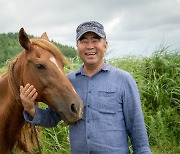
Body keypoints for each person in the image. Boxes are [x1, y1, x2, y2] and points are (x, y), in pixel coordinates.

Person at [20, 21, 152, 154]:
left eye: (95, 40)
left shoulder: (123, 80)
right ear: (77, 47)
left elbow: (138, 134)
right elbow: (52, 118)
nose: (90, 46)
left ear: (105, 46)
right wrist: (31, 109)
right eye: (83, 41)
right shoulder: (69, 81)